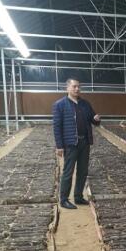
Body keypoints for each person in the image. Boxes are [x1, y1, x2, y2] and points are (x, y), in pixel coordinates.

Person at [53, 78, 101, 209]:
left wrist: (96, 119)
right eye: (74, 86)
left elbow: (93, 120)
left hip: (84, 142)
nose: (77, 89)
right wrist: (59, 146)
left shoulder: (85, 104)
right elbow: (57, 127)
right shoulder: (60, 105)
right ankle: (64, 200)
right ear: (67, 88)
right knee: (68, 171)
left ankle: (78, 197)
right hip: (70, 143)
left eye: (78, 86)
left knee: (83, 171)